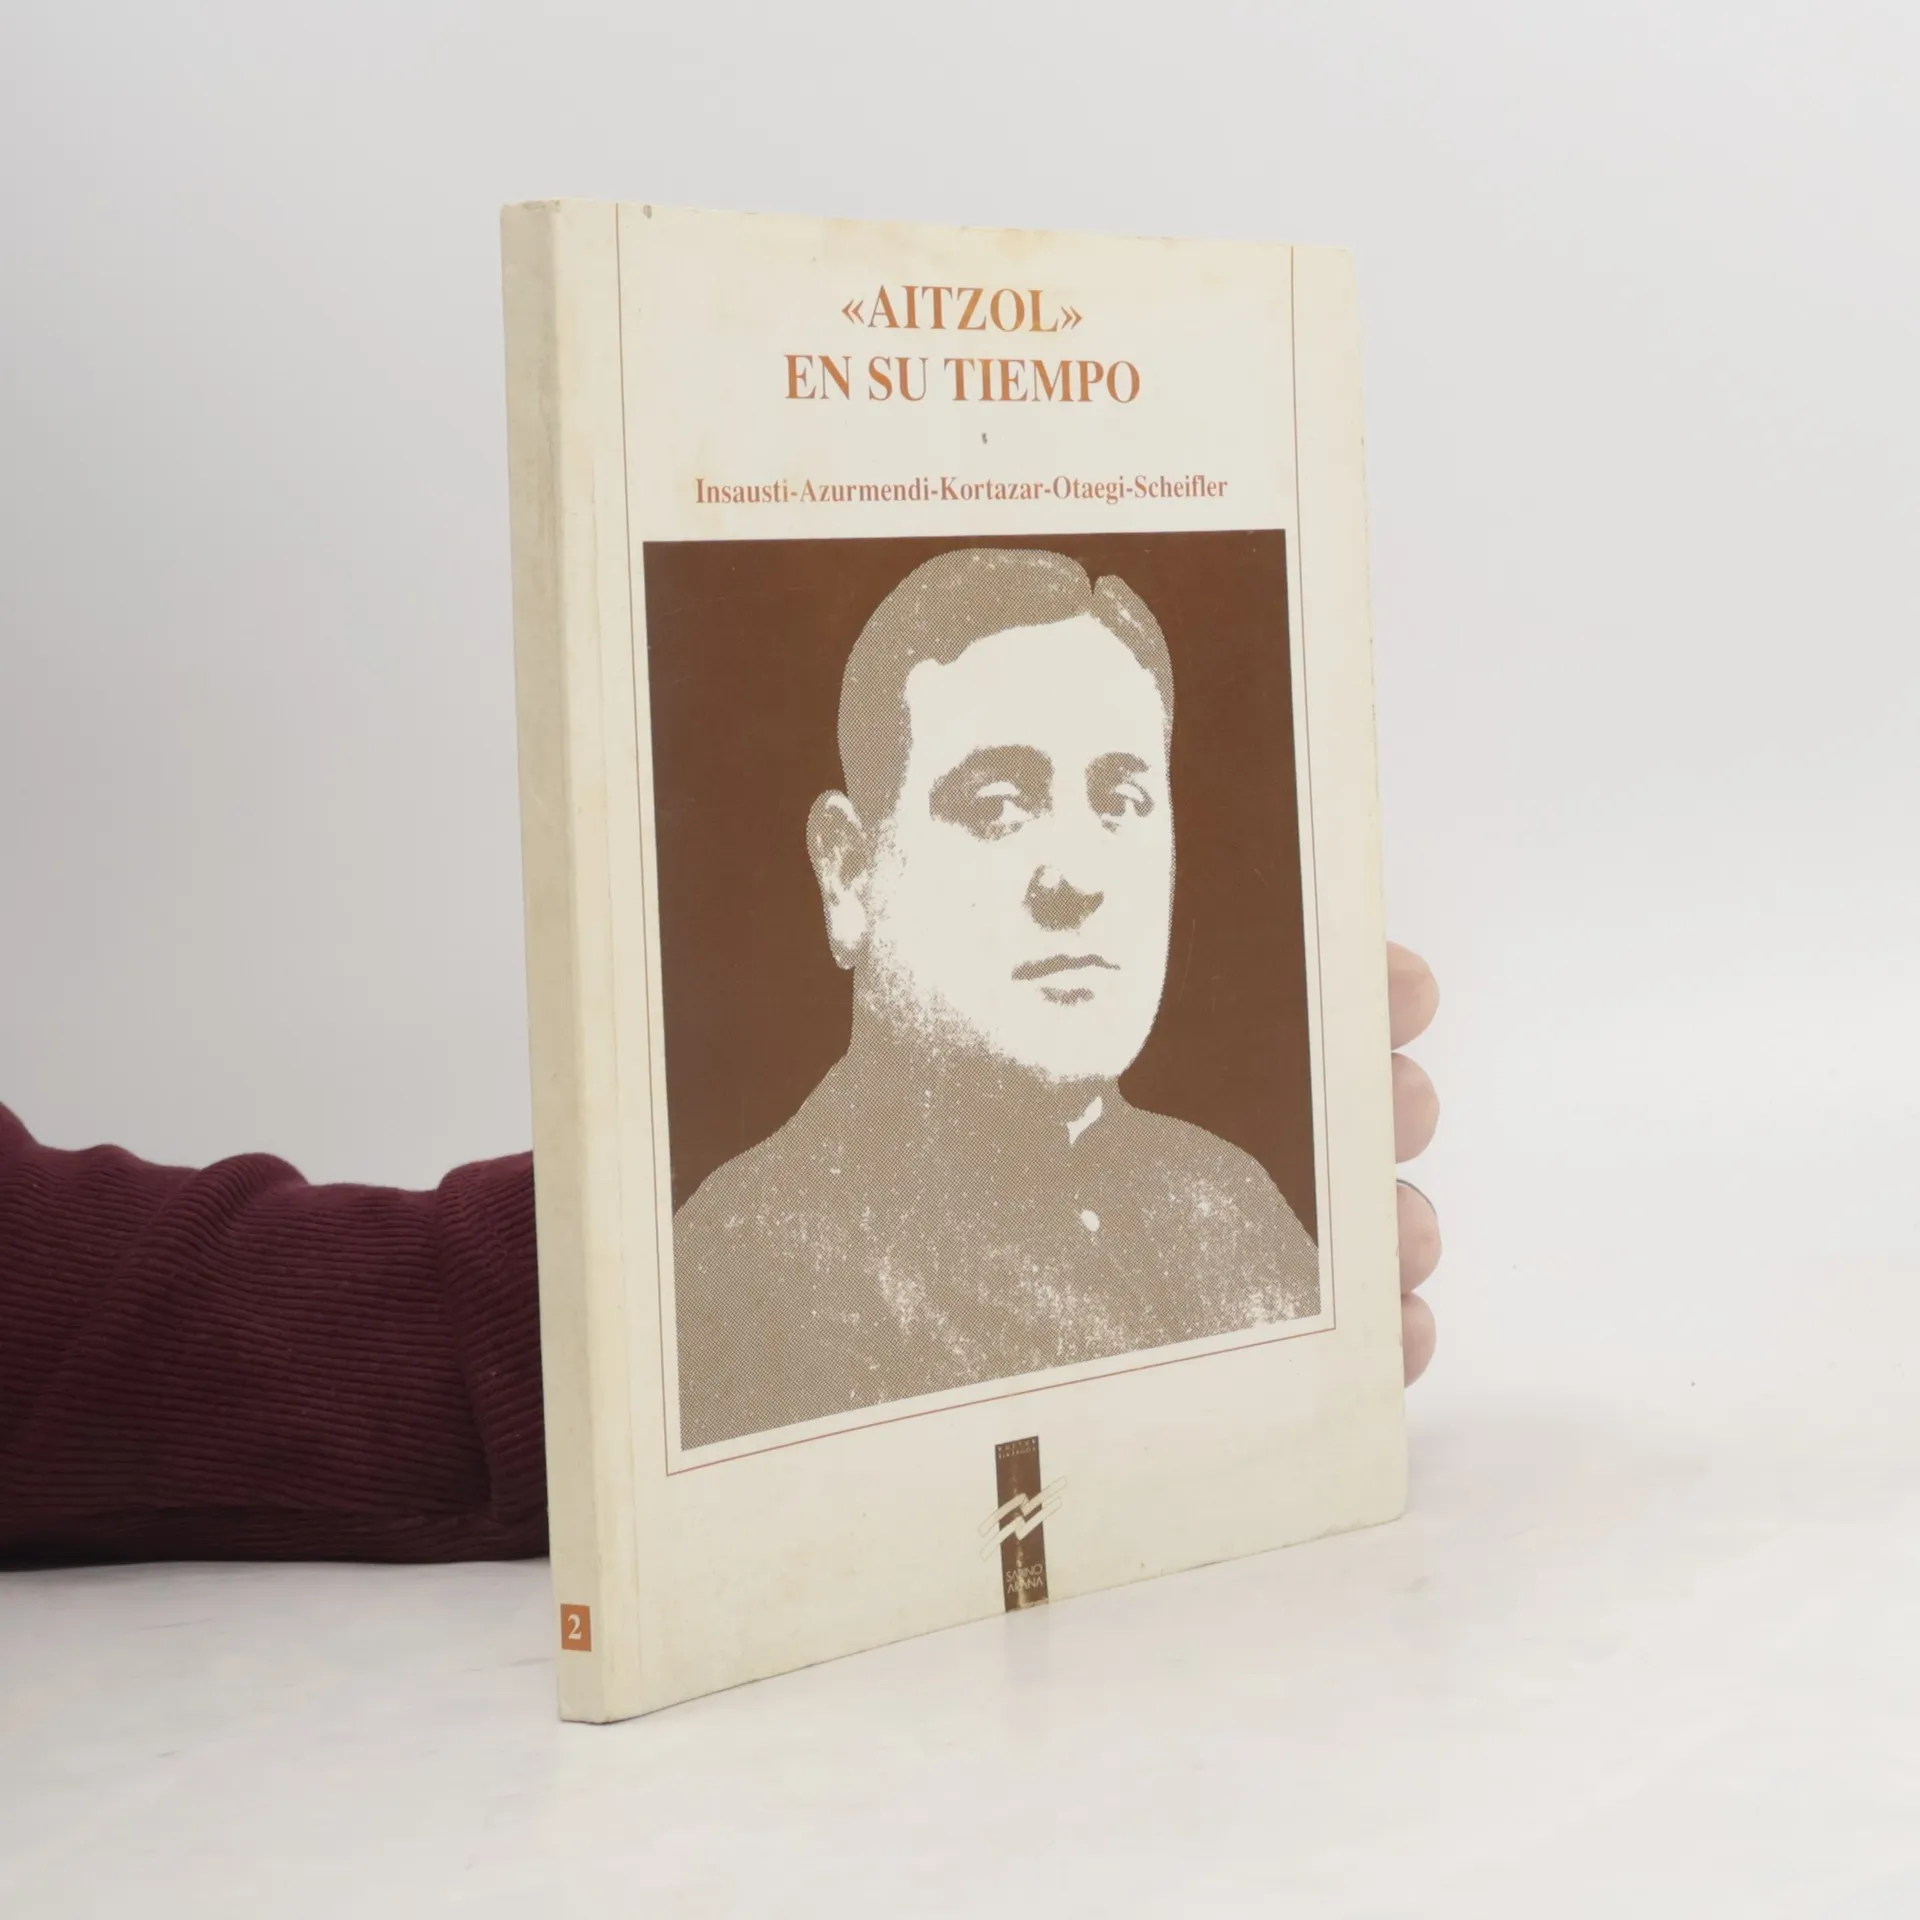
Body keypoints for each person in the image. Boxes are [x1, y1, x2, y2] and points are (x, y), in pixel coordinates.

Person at [676, 548, 1322, 1446]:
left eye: (1122, 800)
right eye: (999, 806)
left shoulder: (1231, 1206)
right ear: (851, 875)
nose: (1077, 878)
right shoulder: (748, 1274)